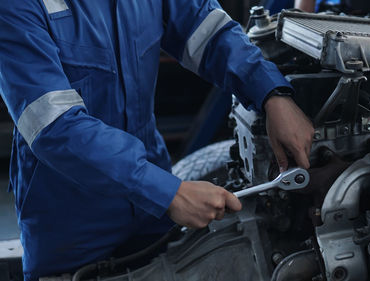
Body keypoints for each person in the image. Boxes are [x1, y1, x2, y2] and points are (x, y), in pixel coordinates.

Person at [0, 0, 314, 280]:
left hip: (152, 212)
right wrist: (168, 193)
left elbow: (209, 31)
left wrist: (272, 94)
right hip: (72, 226)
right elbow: (56, 128)